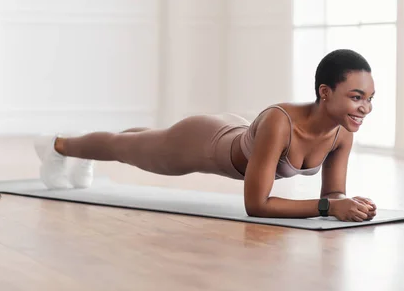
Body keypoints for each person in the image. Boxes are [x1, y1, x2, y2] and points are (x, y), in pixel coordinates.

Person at [34, 49, 377, 222]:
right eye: (356, 97)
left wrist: (348, 205)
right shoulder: (280, 121)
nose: (365, 108)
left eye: (370, 99)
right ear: (325, 92)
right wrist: (326, 208)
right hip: (201, 143)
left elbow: (333, 194)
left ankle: (82, 153)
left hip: (233, 130)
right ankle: (58, 145)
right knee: (127, 148)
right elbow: (256, 206)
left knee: (142, 140)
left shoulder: (341, 133)